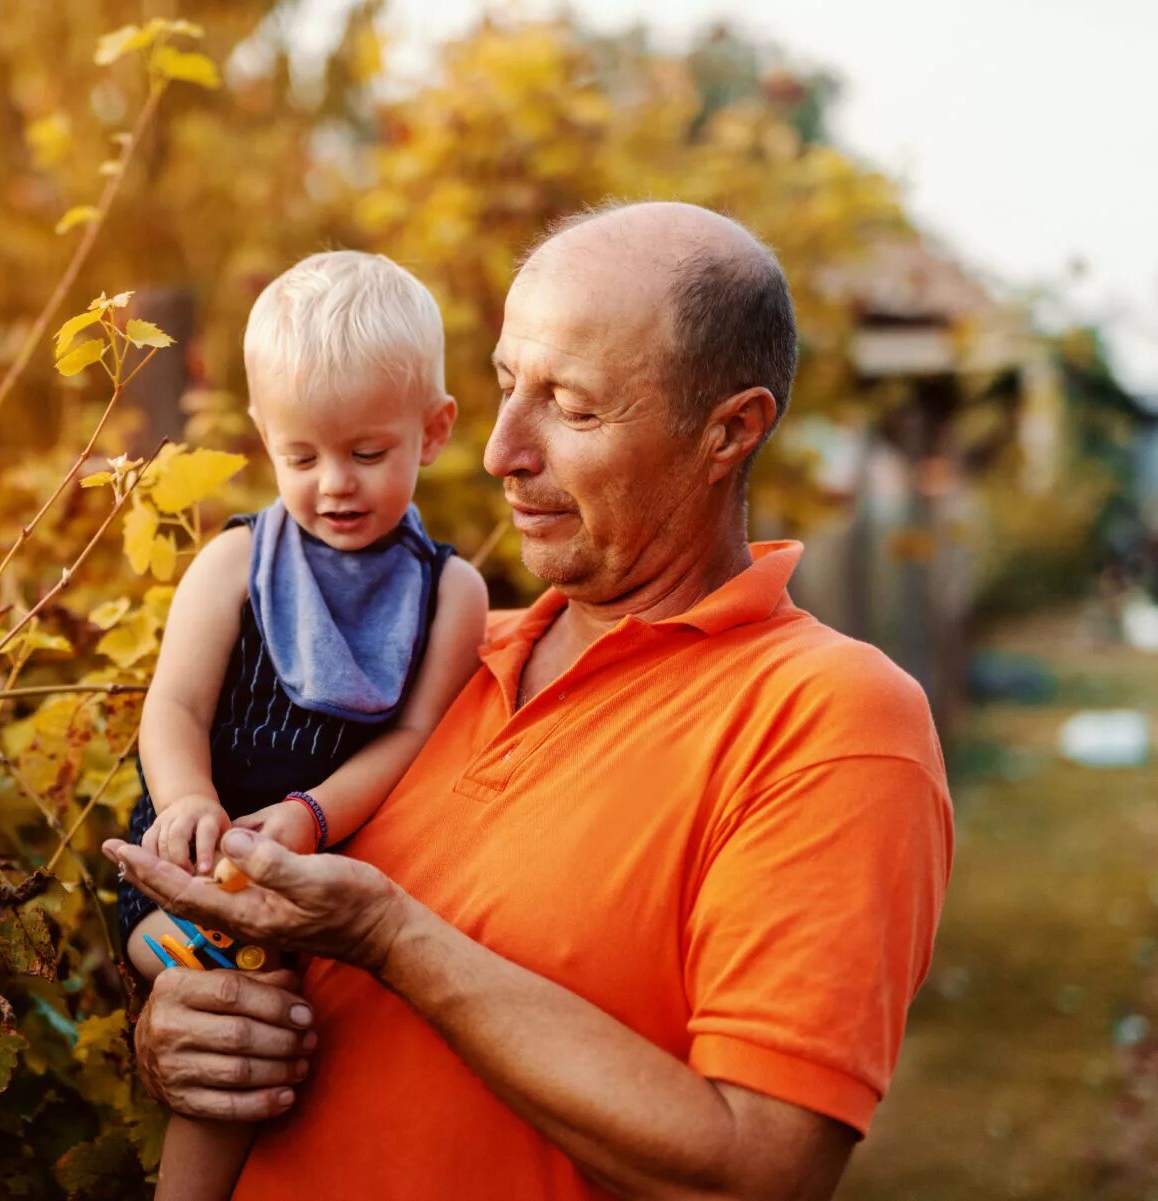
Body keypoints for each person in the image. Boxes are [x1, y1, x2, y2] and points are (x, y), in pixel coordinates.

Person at [107, 201, 955, 1200]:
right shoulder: (436, 656)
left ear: (729, 430)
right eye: (509, 385)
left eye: (573, 405)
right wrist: (180, 1040)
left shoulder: (830, 723)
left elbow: (757, 1171)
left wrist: (393, 937)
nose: (503, 447)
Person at [119, 250, 489, 1199]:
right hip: (196, 856)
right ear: (264, 438)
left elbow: (409, 741)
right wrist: (190, 802)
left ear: (434, 429)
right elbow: (175, 706)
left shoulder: (449, 592)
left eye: (369, 453)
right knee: (236, 987)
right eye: (301, 456)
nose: (335, 484)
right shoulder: (235, 563)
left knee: (302, 1024)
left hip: (326, 854)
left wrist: (312, 817)